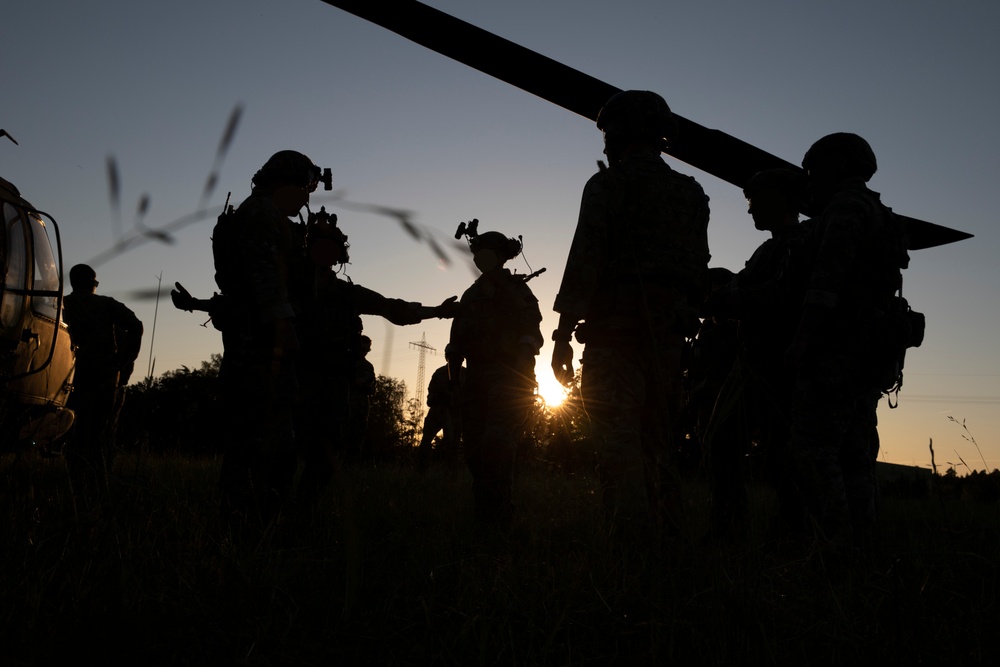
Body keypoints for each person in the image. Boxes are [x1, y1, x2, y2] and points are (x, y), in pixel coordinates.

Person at [550, 90, 711, 541]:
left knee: (617, 443)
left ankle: (631, 548)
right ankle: (671, 540)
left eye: (607, 132)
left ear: (621, 131)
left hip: (615, 335)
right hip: (669, 338)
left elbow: (585, 260)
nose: (604, 144)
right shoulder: (691, 193)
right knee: (660, 442)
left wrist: (562, 336)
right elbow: (698, 272)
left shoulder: (606, 184)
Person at [785, 133, 912, 554]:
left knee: (813, 450)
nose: (809, 180)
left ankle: (832, 546)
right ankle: (863, 546)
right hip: (868, 354)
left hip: (836, 350)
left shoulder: (845, 208)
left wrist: (803, 339)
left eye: (814, 169)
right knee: (856, 455)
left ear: (838, 164)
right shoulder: (881, 213)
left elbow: (826, 280)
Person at [700, 169, 811, 541]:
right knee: (769, 454)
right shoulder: (773, 247)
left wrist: (729, 300)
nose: (749, 212)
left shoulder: (799, 243)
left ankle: (742, 533)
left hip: (775, 367)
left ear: (779, 200)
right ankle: (770, 534)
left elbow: (782, 297)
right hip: (759, 364)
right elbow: (742, 285)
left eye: (755, 202)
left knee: (742, 447)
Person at [211, 149, 318, 531]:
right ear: (285, 181)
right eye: (305, 187)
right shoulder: (261, 214)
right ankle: (253, 527)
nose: (307, 197)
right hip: (261, 344)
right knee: (267, 442)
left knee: (254, 439)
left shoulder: (260, 212)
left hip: (253, 339)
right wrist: (283, 326)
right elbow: (265, 275)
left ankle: (244, 523)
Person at [449, 225, 543, 527]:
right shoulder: (470, 294)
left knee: (498, 444)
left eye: (487, 253)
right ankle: (484, 518)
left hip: (509, 379)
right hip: (475, 380)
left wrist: (523, 370)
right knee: (474, 451)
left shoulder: (517, 289)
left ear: (501, 256)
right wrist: (454, 379)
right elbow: (456, 341)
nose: (480, 259)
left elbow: (531, 331)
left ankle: (501, 520)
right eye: (478, 254)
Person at [62, 263, 143, 515]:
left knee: (74, 437)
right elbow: (136, 326)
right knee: (101, 436)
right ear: (92, 284)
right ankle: (99, 492)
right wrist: (123, 359)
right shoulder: (107, 305)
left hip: (71, 380)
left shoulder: (62, 305)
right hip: (105, 380)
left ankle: (76, 491)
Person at [418, 345, 464, 469]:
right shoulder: (440, 373)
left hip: (453, 414)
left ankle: (449, 473)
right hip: (439, 412)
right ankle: (422, 470)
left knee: (452, 447)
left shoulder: (464, 375)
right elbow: (430, 398)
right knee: (427, 442)